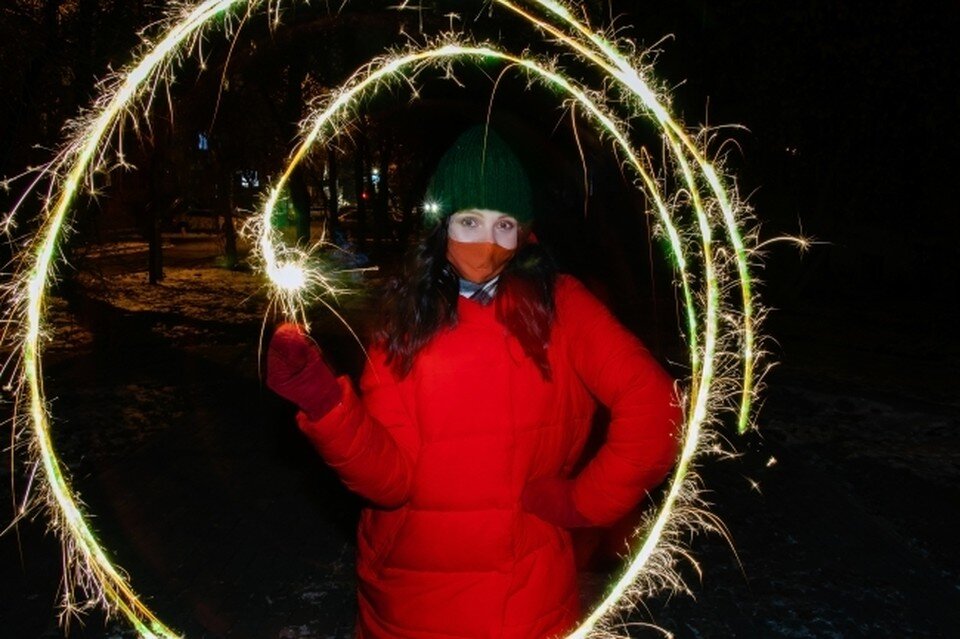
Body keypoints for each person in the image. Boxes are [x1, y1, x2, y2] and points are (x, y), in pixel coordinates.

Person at [267, 126, 681, 639]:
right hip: (410, 604)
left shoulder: (564, 308)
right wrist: (326, 403)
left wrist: (583, 502)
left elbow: (654, 408)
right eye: (469, 220)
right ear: (441, 226)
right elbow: (387, 480)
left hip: (522, 603)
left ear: (525, 233)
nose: (485, 242)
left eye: (503, 223)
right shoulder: (402, 321)